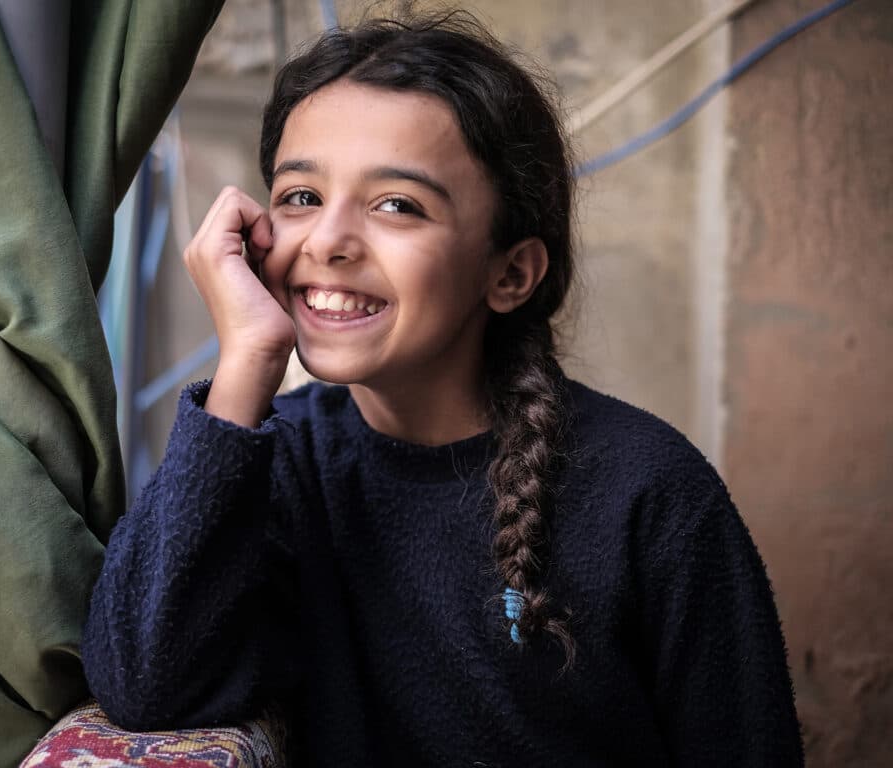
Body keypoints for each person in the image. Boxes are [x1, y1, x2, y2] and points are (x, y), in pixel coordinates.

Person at [81, 11, 803, 766]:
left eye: (398, 205)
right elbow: (144, 683)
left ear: (510, 273)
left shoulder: (650, 493)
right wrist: (246, 363)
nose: (328, 241)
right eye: (300, 197)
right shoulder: (276, 466)